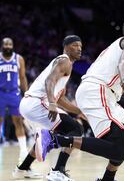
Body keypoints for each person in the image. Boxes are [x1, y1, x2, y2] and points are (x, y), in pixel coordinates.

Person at [35, 17, 124, 181]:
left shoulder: (118, 48)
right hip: (96, 91)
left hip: (101, 92)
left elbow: (116, 98)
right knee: (117, 148)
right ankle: (54, 140)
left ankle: (108, 178)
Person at [13, 35, 84, 181]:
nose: (79, 49)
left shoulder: (62, 65)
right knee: (76, 130)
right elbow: (49, 81)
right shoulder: (64, 61)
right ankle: (58, 170)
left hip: (30, 104)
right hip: (37, 102)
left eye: (81, 47)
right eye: (75, 45)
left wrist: (80, 111)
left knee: (47, 137)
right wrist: (52, 103)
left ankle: (22, 169)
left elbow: (62, 101)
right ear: (66, 47)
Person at [0, 37, 29, 162]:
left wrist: (27, 93)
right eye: (5, 44)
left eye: (10, 44)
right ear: (2, 45)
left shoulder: (19, 59)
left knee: (18, 121)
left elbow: (22, 78)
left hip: (14, 94)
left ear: (12, 46)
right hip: (0, 93)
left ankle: (23, 151)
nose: (7, 46)